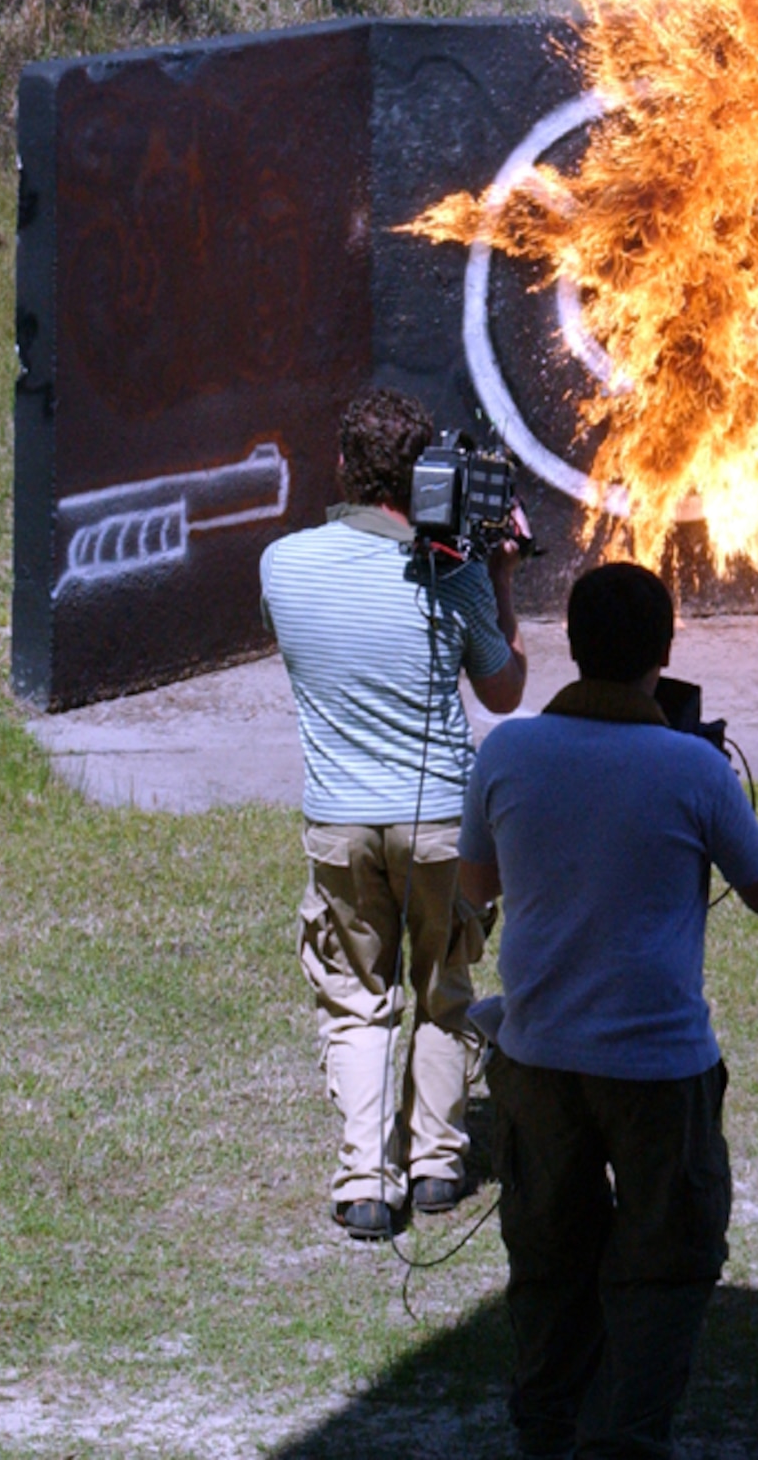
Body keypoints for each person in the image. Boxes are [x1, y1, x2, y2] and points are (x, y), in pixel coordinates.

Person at [458, 561, 758, 1459]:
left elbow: (477, 883)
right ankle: (632, 1437)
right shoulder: (693, 767)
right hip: (657, 1065)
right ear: (665, 651)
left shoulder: (507, 752)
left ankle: (545, 1425)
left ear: (570, 646)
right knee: (666, 1261)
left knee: (547, 1260)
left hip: (537, 1056)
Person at [260, 387, 527, 1240]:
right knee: (444, 990)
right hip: (443, 819)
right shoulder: (453, 578)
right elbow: (505, 690)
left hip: (339, 820)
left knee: (356, 998)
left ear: (342, 467)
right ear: (428, 479)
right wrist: (499, 581)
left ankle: (366, 1184)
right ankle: (438, 1164)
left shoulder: (283, 563)